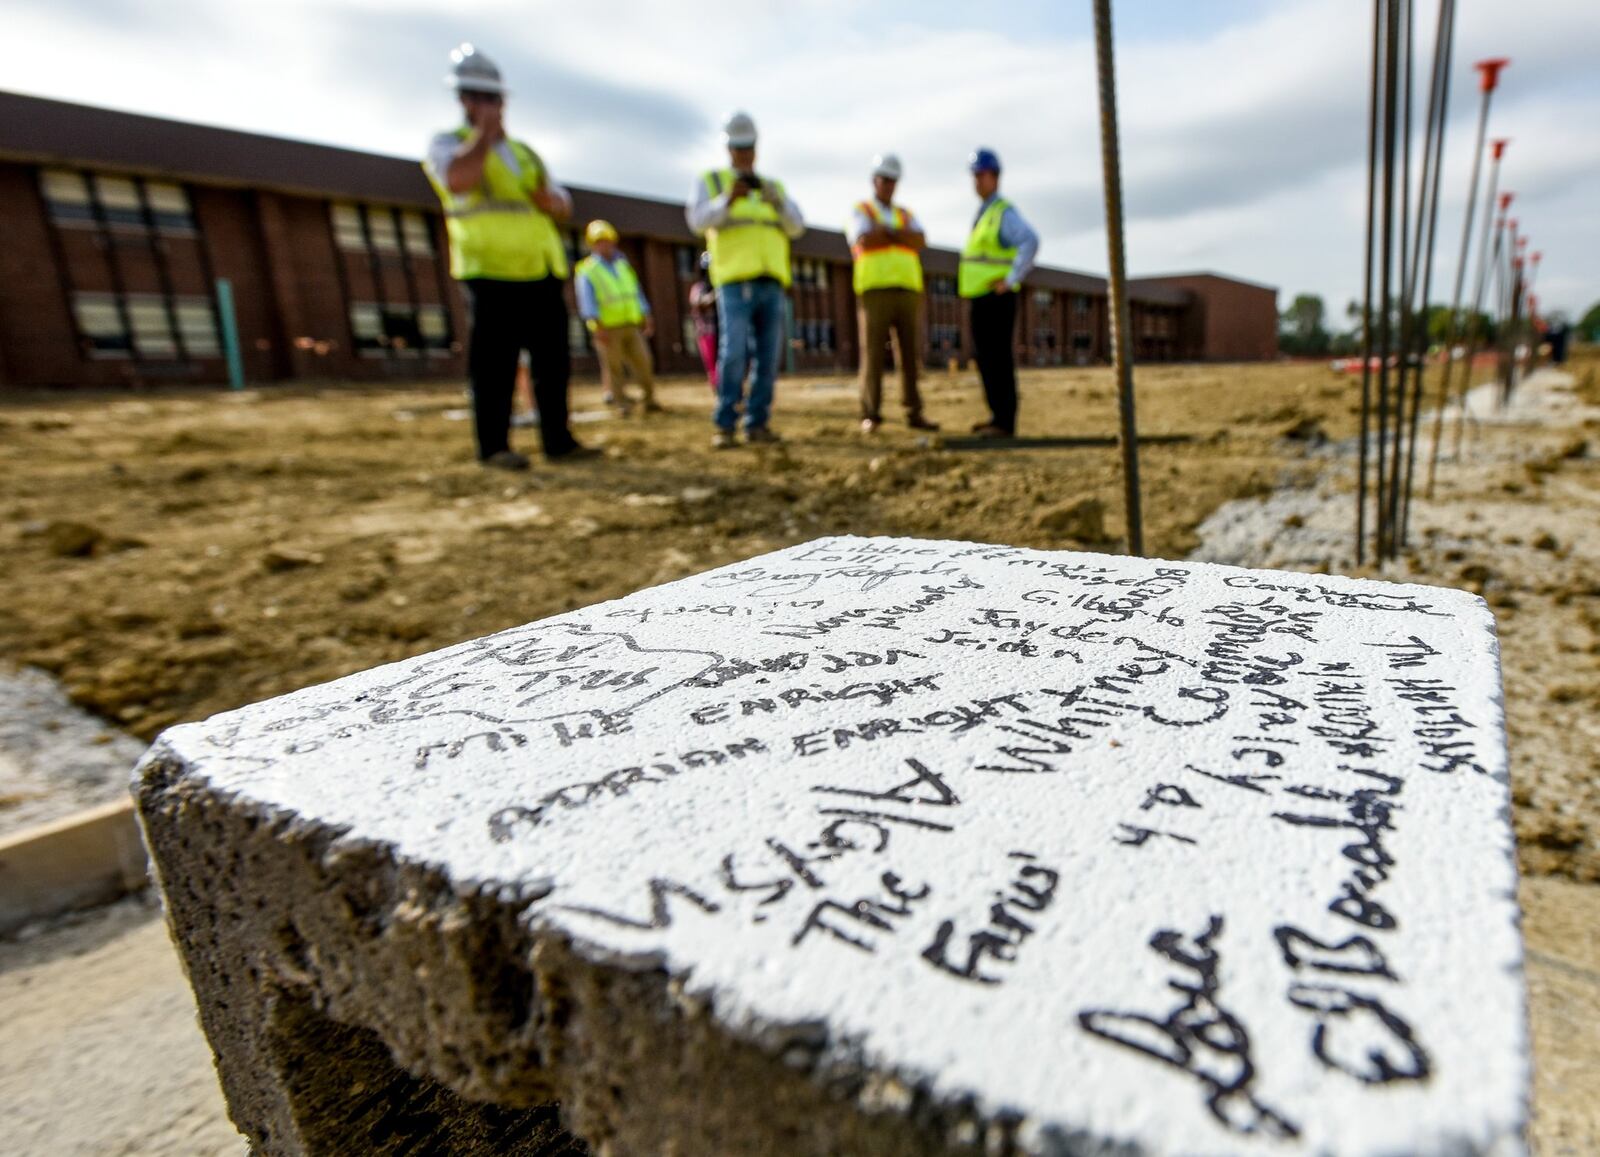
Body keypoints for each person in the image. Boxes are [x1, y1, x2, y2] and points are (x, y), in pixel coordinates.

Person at [422, 43, 595, 469]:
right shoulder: (450, 143)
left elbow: (561, 202)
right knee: (494, 364)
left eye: (493, 98)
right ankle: (494, 446)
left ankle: (558, 439)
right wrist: (483, 135)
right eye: (478, 98)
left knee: (552, 362)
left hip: (540, 267)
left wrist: (551, 201)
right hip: (489, 268)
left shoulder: (525, 153)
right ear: (463, 100)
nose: (488, 106)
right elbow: (458, 181)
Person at [687, 111, 805, 448]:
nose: (744, 154)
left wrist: (777, 203)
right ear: (728, 148)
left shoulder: (773, 187)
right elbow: (696, 220)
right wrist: (728, 199)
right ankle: (725, 423)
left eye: (749, 147)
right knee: (733, 351)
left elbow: (797, 226)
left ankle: (758, 423)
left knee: (768, 357)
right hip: (734, 281)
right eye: (738, 148)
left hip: (771, 280)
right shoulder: (712, 182)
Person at [849, 153, 936, 435]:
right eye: (884, 179)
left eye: (892, 180)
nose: (888, 185)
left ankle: (914, 411)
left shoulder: (905, 214)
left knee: (911, 354)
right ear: (874, 180)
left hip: (908, 291)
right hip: (874, 290)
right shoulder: (861, 210)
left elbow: (920, 240)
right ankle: (870, 413)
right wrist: (900, 235)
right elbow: (863, 238)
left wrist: (886, 232)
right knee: (873, 353)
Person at [959, 148, 1039, 438]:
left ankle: (1005, 422)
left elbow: (1030, 240)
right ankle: (997, 416)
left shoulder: (1002, 212)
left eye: (981, 175)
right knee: (987, 358)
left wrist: (1010, 278)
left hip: (997, 298)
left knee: (998, 359)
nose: (977, 181)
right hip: (982, 298)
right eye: (975, 175)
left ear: (995, 177)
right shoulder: (985, 213)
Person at [575, 220, 662, 416]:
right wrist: (597, 326)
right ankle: (622, 404)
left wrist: (646, 314)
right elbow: (587, 301)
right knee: (614, 368)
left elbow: (635, 292)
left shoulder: (623, 265)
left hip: (630, 324)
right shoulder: (587, 269)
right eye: (599, 241)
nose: (604, 244)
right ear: (592, 244)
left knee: (644, 361)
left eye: (607, 240)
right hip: (607, 327)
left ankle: (649, 399)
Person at [688, 252, 719, 391]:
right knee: (713, 366)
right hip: (706, 333)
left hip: (723, 331)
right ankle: (719, 392)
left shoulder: (721, 287)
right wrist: (715, 295)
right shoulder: (698, 288)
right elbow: (699, 304)